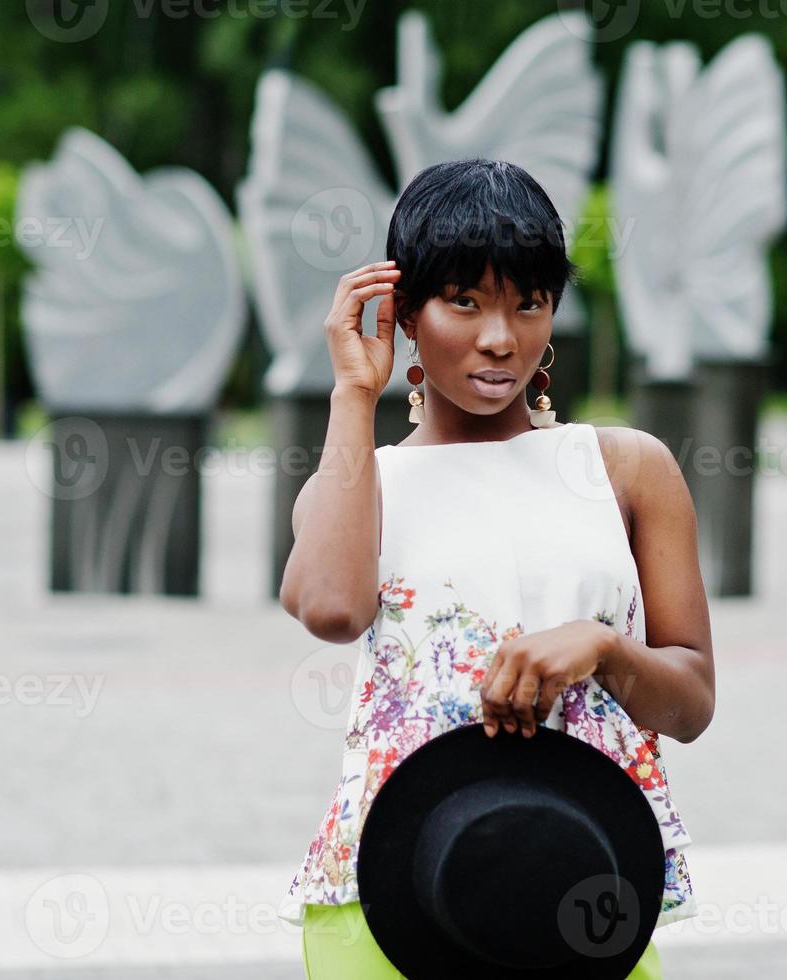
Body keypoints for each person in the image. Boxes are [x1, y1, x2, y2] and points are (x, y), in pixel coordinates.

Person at [277, 158, 714, 979]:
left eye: (528, 303)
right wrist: (349, 394)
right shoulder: (363, 483)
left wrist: (604, 647)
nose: (499, 338)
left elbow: (690, 704)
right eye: (464, 302)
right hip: (396, 895)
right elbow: (332, 611)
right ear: (404, 312)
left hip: (579, 877)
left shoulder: (624, 468)